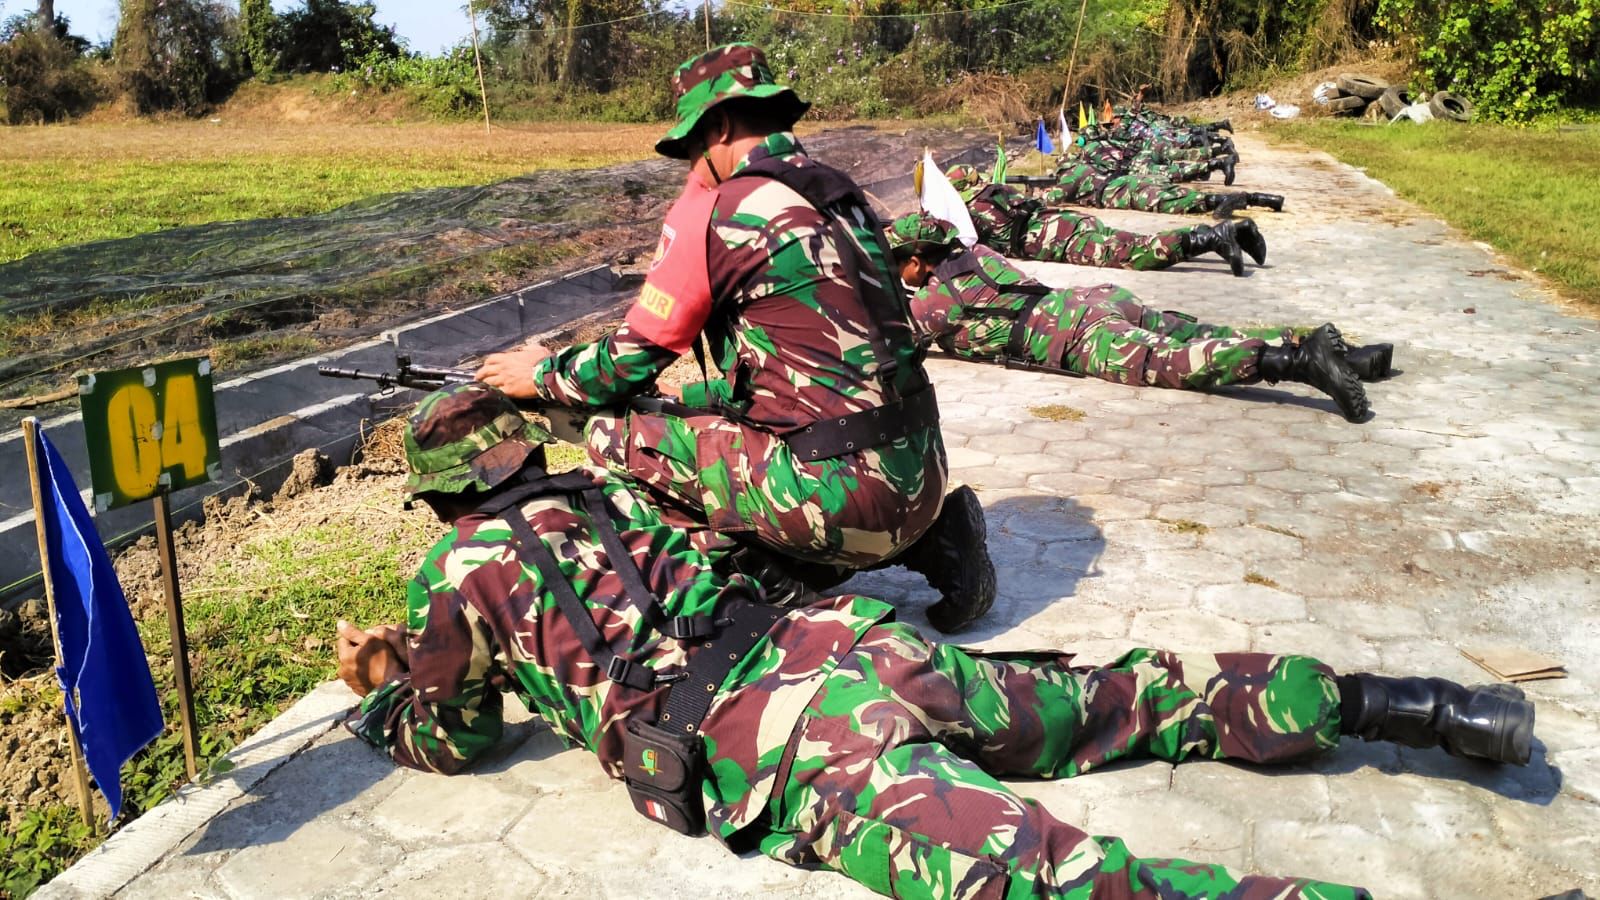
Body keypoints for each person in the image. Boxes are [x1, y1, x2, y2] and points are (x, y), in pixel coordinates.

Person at [339, 382, 1535, 900]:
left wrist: (383, 691)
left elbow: (457, 741)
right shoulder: (618, 491)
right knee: (1124, 700)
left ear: (441, 493)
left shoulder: (453, 577)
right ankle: (1409, 704)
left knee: (1057, 877)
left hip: (789, 743)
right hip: (853, 647)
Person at [475, 43, 994, 633]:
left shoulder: (727, 209)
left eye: (694, 150)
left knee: (610, 433)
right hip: (920, 473)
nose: (693, 167)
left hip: (841, 494)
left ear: (718, 126)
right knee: (682, 417)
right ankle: (936, 542)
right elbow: (795, 371)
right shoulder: (842, 196)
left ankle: (777, 586)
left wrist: (542, 374)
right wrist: (682, 404)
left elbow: (625, 365)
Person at [888, 213, 1387, 422]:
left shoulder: (934, 301)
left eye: (897, 264)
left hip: (1074, 334)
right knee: (1196, 329)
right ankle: (1344, 355)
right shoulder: (978, 255)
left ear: (916, 257)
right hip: (1092, 300)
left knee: (1175, 360)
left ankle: (1301, 360)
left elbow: (892, 341)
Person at [945, 165, 1266, 277]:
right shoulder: (996, 190)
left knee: (1139, 255)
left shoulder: (973, 213)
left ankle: (1212, 237)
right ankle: (1233, 231)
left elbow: (960, 246)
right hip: (1070, 222)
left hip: (1062, 239)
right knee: (1136, 242)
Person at [1045, 159, 1284, 217]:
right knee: (1183, 195)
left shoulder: (1070, 176)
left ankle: (1231, 200)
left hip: (1129, 192)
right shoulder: (1083, 168)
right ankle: (1263, 199)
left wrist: (1038, 193)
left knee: (1177, 203)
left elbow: (1052, 198)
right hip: (1134, 181)